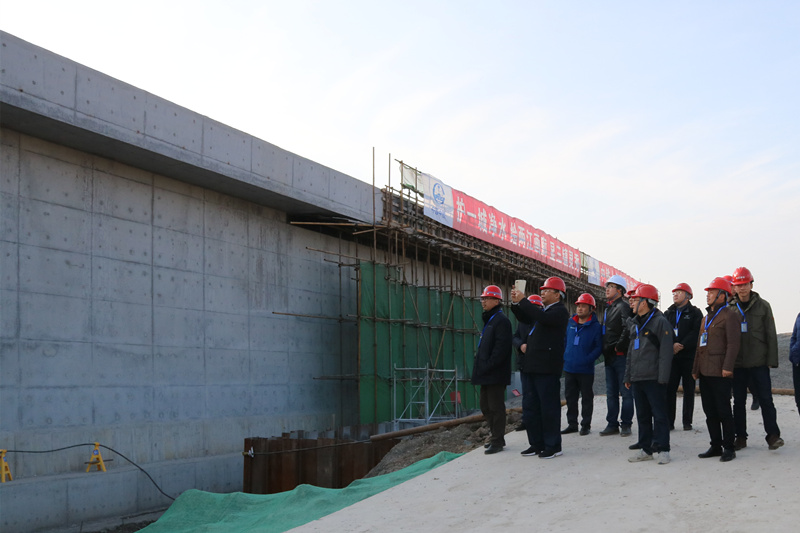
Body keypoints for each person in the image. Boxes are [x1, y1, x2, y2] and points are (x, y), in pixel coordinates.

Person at [510, 277, 570, 459]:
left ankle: (553, 446)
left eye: (547, 290)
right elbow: (525, 317)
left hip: (547, 368)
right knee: (531, 408)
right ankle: (536, 443)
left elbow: (541, 317)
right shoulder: (543, 312)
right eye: (542, 290)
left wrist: (524, 301)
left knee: (548, 408)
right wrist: (516, 303)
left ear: (557, 295)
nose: (542, 293)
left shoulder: (559, 312)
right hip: (532, 366)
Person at [728, 267, 784, 451]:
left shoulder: (764, 306)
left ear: (751, 285)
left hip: (759, 363)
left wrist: (771, 361)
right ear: (734, 287)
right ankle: (740, 437)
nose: (742, 288)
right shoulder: (729, 309)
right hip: (738, 364)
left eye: (745, 284)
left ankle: (773, 436)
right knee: (738, 402)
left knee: (766, 400)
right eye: (738, 285)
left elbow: (770, 334)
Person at [623, 284, 674, 465]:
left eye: (636, 299)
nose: (632, 302)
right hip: (638, 377)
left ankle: (663, 449)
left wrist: (663, 378)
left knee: (659, 415)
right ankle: (645, 449)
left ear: (645, 302)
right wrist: (628, 375)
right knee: (642, 415)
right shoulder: (636, 323)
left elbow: (666, 352)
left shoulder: (660, 322)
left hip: (654, 378)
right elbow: (631, 351)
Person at [693, 277, 741, 462]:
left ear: (722, 296)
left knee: (723, 410)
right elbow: (700, 346)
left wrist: (728, 367)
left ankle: (729, 447)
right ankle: (715, 445)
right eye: (708, 292)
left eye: (712, 292)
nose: (708, 295)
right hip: (705, 371)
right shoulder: (705, 318)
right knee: (710, 411)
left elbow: (733, 344)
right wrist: (695, 368)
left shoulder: (730, 315)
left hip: (720, 371)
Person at [471, 285, 513, 455]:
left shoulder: (501, 321)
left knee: (496, 407)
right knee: (485, 406)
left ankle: (497, 440)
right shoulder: (490, 320)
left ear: (496, 301)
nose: (483, 302)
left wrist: (488, 365)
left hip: (495, 373)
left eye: (486, 299)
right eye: (482, 299)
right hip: (486, 372)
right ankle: (495, 436)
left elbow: (501, 349)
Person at [561, 293, 603, 436]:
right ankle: (572, 424)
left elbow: (598, 347)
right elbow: (565, 341)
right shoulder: (570, 323)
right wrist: (566, 356)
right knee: (570, 398)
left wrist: (588, 359)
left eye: (584, 306)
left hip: (585, 369)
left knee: (586, 398)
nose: (580, 308)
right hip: (570, 368)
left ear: (591, 309)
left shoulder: (595, 327)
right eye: (578, 306)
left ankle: (585, 425)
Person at [664, 283, 702, 431]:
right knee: (670, 389)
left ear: (688, 296)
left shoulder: (695, 313)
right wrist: (673, 344)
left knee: (689, 389)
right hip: (672, 357)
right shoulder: (668, 313)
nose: (675, 295)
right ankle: (669, 421)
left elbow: (696, 332)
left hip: (688, 356)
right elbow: (665, 331)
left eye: (679, 292)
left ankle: (687, 421)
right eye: (674, 292)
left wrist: (682, 345)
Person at [600, 275, 634, 437]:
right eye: (607, 286)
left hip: (620, 356)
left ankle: (626, 424)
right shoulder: (608, 308)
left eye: (611, 286)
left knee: (626, 393)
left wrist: (618, 346)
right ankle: (612, 424)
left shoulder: (623, 307)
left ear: (619, 290)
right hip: (609, 356)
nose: (607, 289)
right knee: (611, 393)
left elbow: (627, 328)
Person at [511, 295, 543, 432]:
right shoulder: (522, 323)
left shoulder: (541, 322)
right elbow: (515, 337)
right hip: (524, 363)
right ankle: (527, 420)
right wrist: (521, 345)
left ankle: (539, 420)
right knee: (527, 394)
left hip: (538, 364)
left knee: (538, 394)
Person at [791, 312, 800, 416]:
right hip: (797, 361)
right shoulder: (799, 316)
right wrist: (793, 352)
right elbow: (794, 337)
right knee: (798, 399)